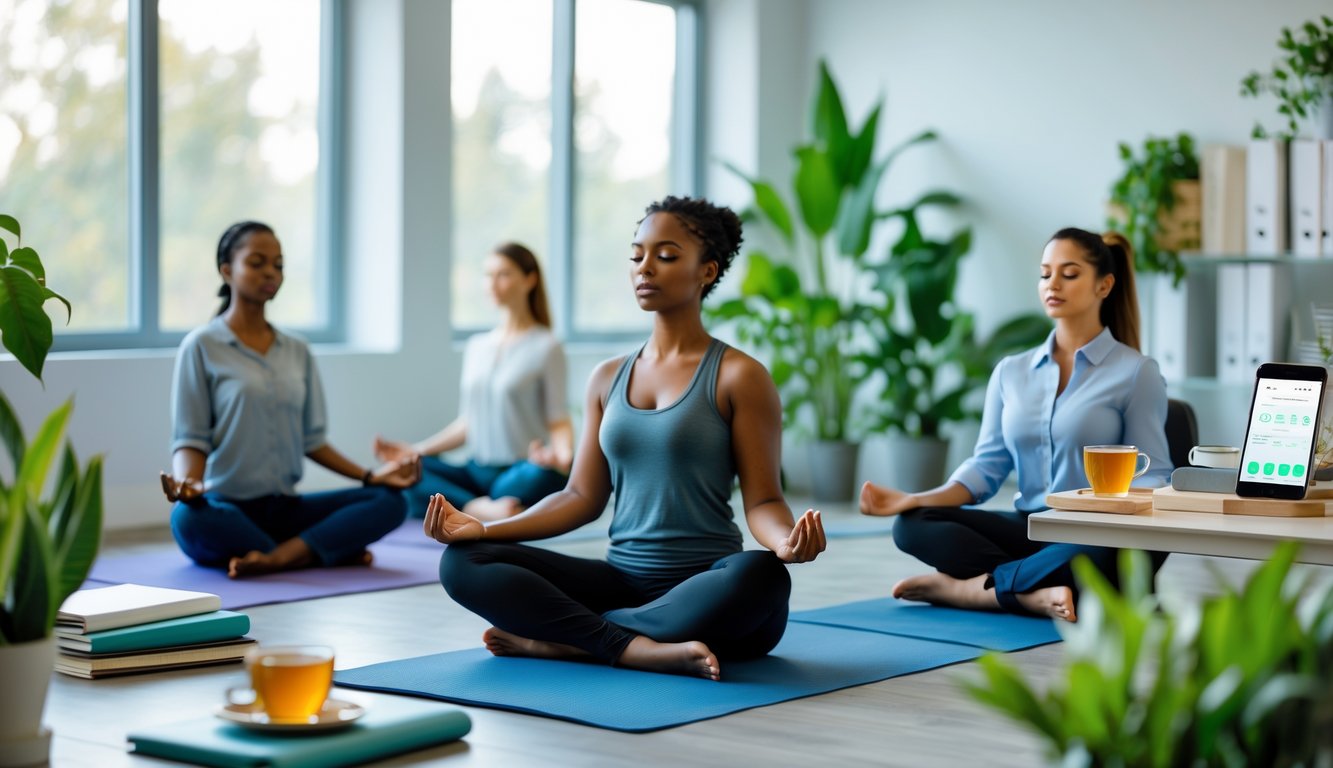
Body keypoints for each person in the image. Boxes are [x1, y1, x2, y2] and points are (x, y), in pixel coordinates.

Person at [424, 196, 827, 680]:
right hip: (621, 581)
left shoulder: (740, 376)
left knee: (761, 575)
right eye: (637, 255)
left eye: (667, 255)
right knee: (464, 562)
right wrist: (483, 529)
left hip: (707, 589)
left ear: (707, 271)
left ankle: (573, 643)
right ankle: (630, 646)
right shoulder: (606, 377)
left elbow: (762, 499)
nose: (645, 268)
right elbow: (579, 496)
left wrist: (785, 541)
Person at [859, 228, 1171, 621]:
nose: (1052, 284)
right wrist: (918, 499)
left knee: (1100, 552)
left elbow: (1154, 474)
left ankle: (972, 591)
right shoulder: (1011, 371)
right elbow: (986, 467)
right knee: (911, 526)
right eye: (1045, 274)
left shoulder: (1136, 372)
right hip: (1029, 531)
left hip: (1094, 534)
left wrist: (1108, 510)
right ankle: (1032, 590)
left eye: (1069, 274)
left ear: (1104, 285)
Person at [161, 221, 420, 579]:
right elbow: (191, 439)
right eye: (257, 262)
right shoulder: (201, 346)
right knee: (187, 519)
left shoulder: (297, 350)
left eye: (278, 265)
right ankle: (314, 550)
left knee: (390, 502)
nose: (270, 272)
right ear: (226, 270)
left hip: (286, 508)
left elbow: (312, 440)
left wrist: (370, 476)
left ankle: (278, 557)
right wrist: (188, 486)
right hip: (226, 509)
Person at [374, 243, 572, 522]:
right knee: (408, 468)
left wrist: (561, 456)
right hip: (475, 469)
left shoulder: (547, 346)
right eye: (487, 275)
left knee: (543, 477)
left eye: (503, 274)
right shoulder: (477, 346)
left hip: (520, 471)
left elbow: (558, 418)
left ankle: (465, 506)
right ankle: (476, 508)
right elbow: (468, 423)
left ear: (530, 279)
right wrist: (416, 450)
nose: (492, 284)